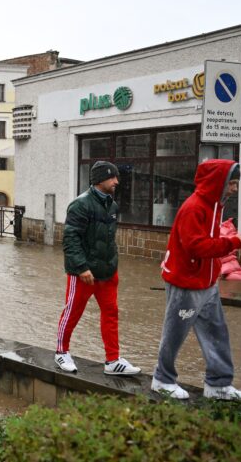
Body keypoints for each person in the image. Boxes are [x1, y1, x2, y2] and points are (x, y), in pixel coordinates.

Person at [152, 159, 241, 400]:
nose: (235, 189)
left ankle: (218, 385)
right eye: (232, 183)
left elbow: (204, 243)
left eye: (237, 183)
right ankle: (162, 380)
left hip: (207, 284)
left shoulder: (214, 207)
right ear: (218, 183)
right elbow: (196, 246)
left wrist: (216, 268)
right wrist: (234, 243)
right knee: (174, 334)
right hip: (186, 284)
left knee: (217, 332)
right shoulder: (194, 208)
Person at [55, 161, 141, 376]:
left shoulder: (112, 205)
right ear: (100, 179)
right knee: (72, 312)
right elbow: (70, 239)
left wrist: (113, 265)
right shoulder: (80, 204)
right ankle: (61, 352)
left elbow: (109, 239)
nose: (116, 182)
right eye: (113, 178)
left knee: (111, 313)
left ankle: (113, 360)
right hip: (84, 273)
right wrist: (81, 268)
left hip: (108, 273)